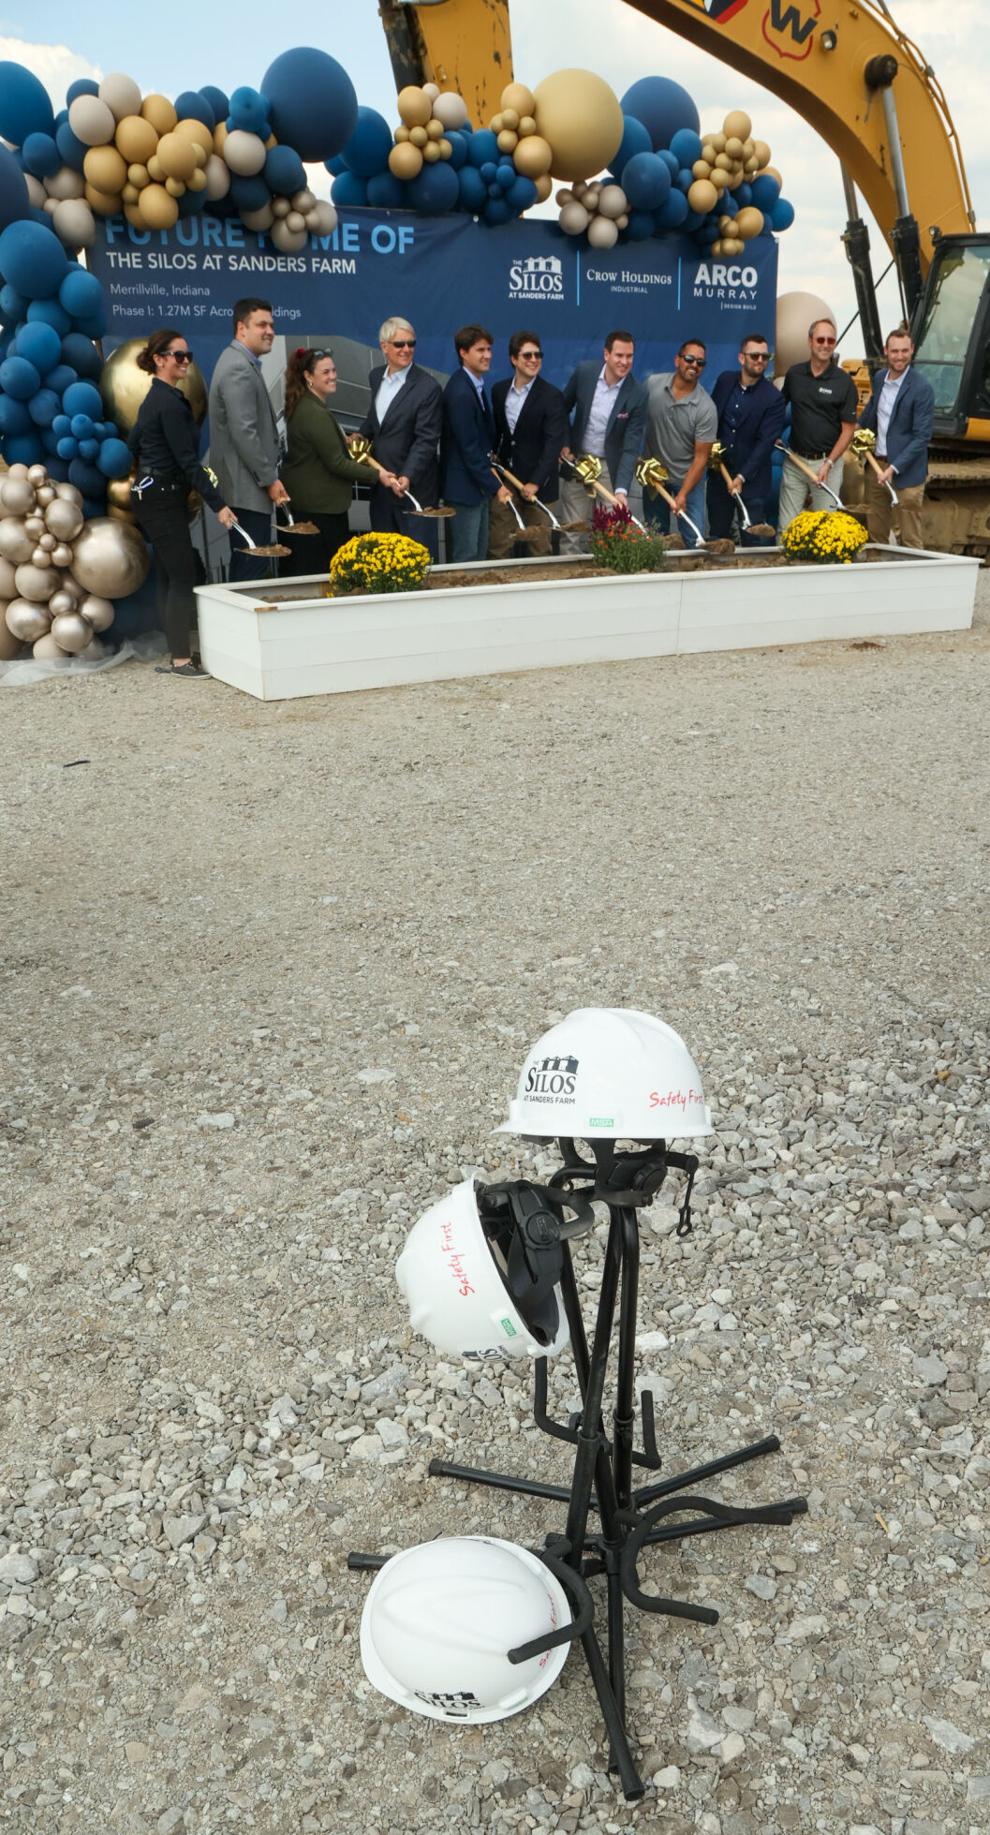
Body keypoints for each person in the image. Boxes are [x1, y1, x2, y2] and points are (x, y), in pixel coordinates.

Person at [129, 328, 237, 677]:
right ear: (159, 360)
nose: (185, 361)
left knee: (169, 573)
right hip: (160, 496)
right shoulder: (166, 403)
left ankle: (176, 652)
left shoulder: (156, 399)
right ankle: (180, 659)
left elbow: (134, 443)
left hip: (155, 494)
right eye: (178, 355)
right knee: (181, 574)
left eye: (187, 355)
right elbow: (188, 461)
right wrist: (218, 505)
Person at [279, 348, 394, 576]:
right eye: (325, 372)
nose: (333, 376)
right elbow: (337, 463)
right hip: (320, 512)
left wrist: (346, 440)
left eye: (334, 370)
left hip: (314, 506)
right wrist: (378, 475)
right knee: (324, 575)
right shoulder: (313, 412)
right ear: (308, 376)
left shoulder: (310, 406)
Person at [207, 296, 289, 581]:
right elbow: (245, 431)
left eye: (272, 325)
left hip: (247, 488)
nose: (270, 331)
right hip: (246, 490)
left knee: (250, 567)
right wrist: (269, 479)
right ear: (241, 328)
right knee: (250, 571)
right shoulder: (238, 367)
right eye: (262, 325)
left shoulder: (242, 362)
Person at [360, 317, 442, 552]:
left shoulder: (428, 387)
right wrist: (359, 437)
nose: (406, 349)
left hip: (414, 491)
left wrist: (408, 475)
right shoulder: (375, 377)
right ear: (384, 346)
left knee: (417, 561)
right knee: (383, 558)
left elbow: (426, 440)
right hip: (382, 489)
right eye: (399, 344)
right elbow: (377, 421)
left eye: (411, 343)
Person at [560, 331, 647, 542]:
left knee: (610, 533)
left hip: (610, 467)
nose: (624, 362)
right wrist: (565, 444)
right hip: (579, 462)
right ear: (606, 354)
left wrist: (621, 490)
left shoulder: (638, 393)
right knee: (572, 532)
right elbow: (561, 409)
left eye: (629, 356)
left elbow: (630, 447)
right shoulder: (585, 373)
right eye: (619, 355)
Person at [490, 331, 568, 558]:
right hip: (507, 481)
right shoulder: (499, 391)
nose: (534, 360)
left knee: (539, 548)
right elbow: (498, 434)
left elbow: (553, 444)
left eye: (538, 355)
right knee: (499, 543)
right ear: (514, 359)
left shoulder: (552, 396)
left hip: (540, 485)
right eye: (527, 355)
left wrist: (535, 482)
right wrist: (494, 470)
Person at [857, 328, 935, 548]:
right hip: (877, 467)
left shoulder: (922, 388)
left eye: (904, 351)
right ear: (886, 351)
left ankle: (915, 572)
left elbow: (922, 437)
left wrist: (894, 468)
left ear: (912, 350)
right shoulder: (879, 378)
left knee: (910, 540)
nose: (900, 356)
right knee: (876, 535)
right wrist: (857, 429)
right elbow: (872, 412)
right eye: (895, 351)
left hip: (907, 472)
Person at [778, 317, 859, 528]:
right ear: (810, 341)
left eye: (830, 341)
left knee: (825, 529)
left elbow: (848, 431)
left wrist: (829, 463)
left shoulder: (844, 382)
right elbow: (777, 409)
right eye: (820, 339)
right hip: (795, 462)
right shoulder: (794, 374)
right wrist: (773, 434)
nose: (825, 345)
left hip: (827, 465)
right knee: (785, 529)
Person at [441, 324, 512, 562]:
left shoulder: (474, 385)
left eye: (489, 349)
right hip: (464, 490)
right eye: (480, 350)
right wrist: (496, 486)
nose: (487, 355)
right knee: (466, 558)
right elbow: (469, 449)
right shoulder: (460, 392)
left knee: (478, 556)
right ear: (463, 353)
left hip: (477, 488)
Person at [708, 331, 786, 546]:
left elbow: (765, 443)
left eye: (765, 356)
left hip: (752, 481)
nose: (760, 360)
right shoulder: (725, 380)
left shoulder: (774, 398)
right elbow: (712, 418)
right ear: (741, 358)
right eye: (755, 356)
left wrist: (742, 477)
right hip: (719, 477)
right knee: (718, 539)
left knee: (753, 542)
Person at [642, 339, 717, 547]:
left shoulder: (706, 408)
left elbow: (701, 458)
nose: (694, 365)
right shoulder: (652, 385)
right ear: (677, 360)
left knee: (695, 540)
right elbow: (633, 418)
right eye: (689, 359)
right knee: (655, 538)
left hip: (688, 478)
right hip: (656, 476)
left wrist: (683, 493)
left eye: (700, 362)